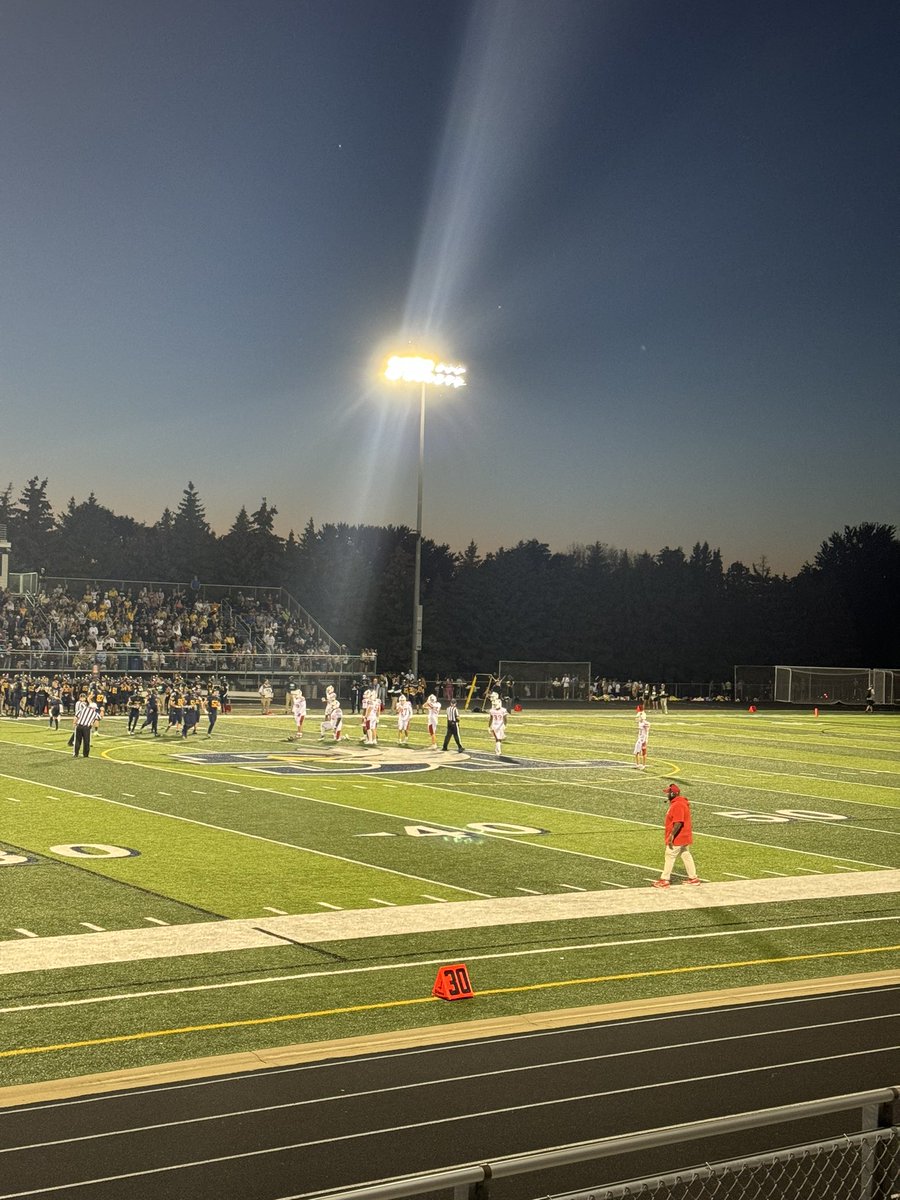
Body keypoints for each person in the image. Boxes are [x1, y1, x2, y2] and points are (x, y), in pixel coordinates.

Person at [652, 783, 701, 887]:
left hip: (678, 837)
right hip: (684, 836)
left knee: (670, 855)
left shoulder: (678, 805)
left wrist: (671, 835)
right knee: (686, 855)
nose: (667, 795)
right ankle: (693, 878)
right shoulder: (679, 803)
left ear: (673, 793)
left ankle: (664, 880)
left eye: (668, 793)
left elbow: (678, 822)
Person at [71, 692, 100, 758]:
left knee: (77, 741)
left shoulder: (83, 709)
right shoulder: (94, 713)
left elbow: (76, 716)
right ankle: (85, 754)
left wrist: (74, 723)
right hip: (86, 728)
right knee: (86, 741)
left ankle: (75, 754)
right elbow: (98, 719)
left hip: (79, 726)